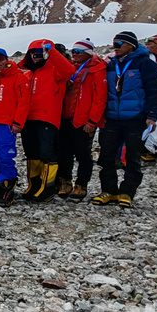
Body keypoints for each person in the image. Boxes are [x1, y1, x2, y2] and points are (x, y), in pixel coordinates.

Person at [93, 31, 157, 208]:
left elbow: (155, 91)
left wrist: (152, 115)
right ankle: (109, 190)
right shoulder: (111, 65)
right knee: (106, 155)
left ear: (131, 45)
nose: (115, 47)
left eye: (119, 44)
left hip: (136, 117)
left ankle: (127, 191)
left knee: (132, 156)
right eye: (114, 44)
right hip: (112, 117)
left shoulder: (144, 64)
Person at [18, 39, 76, 203]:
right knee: (31, 153)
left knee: (46, 154)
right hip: (28, 118)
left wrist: (52, 52)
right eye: (32, 54)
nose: (35, 57)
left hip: (46, 118)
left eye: (38, 54)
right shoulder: (28, 74)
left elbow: (69, 70)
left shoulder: (55, 70)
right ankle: (34, 186)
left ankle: (48, 188)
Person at [0, 48, 31, 207]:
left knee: (5, 155)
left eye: (0, 59)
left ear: (6, 60)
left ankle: (8, 187)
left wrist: (18, 122)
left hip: (6, 123)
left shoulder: (17, 77)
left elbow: (24, 101)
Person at [58, 39, 107, 202]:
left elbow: (100, 98)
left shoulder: (97, 69)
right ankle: (65, 181)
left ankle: (81, 184)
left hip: (83, 119)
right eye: (73, 51)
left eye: (78, 51)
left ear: (89, 53)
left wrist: (93, 121)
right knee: (64, 152)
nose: (74, 54)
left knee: (82, 153)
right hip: (66, 116)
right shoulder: (70, 67)